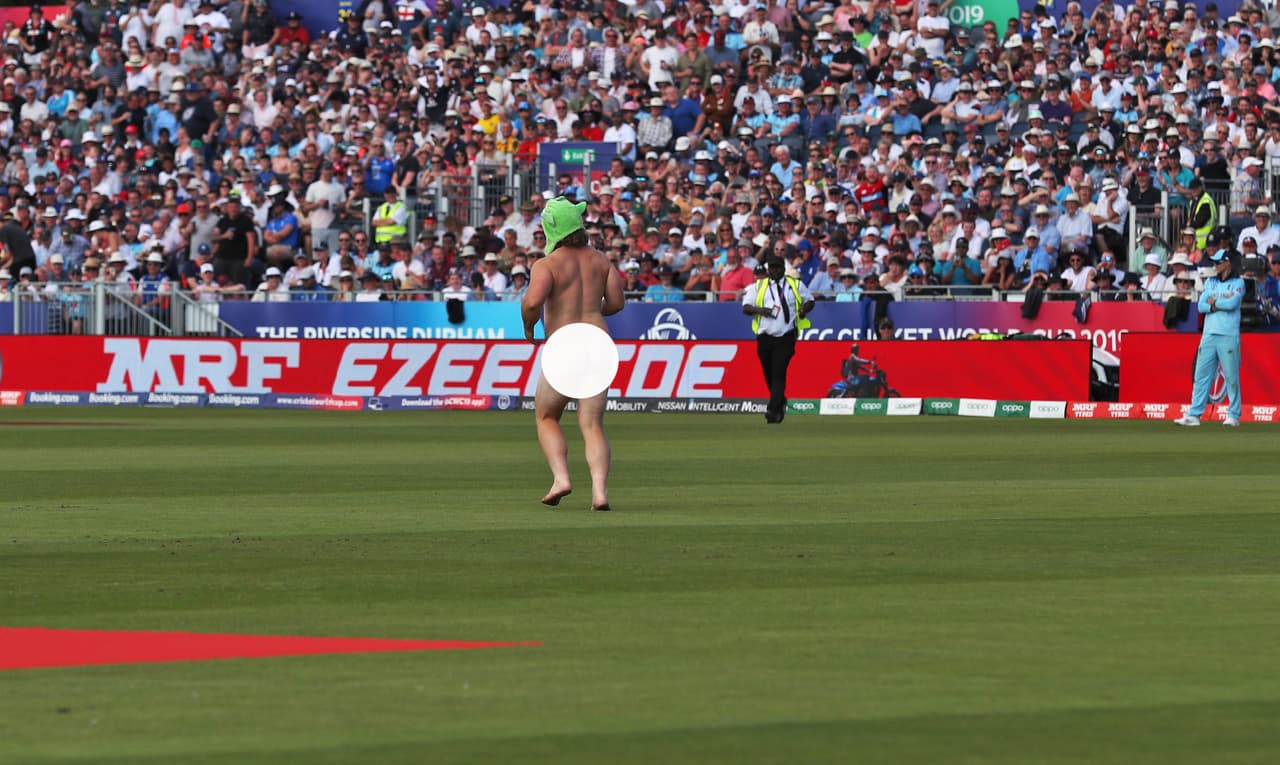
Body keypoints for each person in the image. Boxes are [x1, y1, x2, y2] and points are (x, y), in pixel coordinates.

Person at [520, 197, 625, 511]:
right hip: (598, 341)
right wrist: (592, 311)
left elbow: (531, 302)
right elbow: (617, 303)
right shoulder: (602, 261)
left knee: (547, 416)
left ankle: (561, 478)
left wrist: (529, 327)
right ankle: (600, 493)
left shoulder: (547, 264)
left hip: (565, 343)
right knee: (592, 424)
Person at [1175, 249, 1246, 427]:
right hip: (1208, 335)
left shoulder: (1238, 282)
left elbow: (1232, 304)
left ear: (1227, 263)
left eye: (1217, 262)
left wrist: (1214, 303)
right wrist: (1216, 305)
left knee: (1231, 377)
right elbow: (1201, 306)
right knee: (1201, 376)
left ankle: (1233, 415)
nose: (1214, 265)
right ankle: (1194, 414)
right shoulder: (1211, 282)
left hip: (1228, 334)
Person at [741, 256, 815, 424]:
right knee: (768, 372)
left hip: (786, 336)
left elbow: (810, 300)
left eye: (777, 268)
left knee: (779, 372)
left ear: (783, 268)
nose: (775, 271)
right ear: (768, 269)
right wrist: (760, 310)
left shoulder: (794, 285)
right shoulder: (758, 286)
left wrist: (803, 309)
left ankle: (773, 410)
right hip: (765, 336)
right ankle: (780, 401)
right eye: (772, 268)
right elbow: (745, 307)